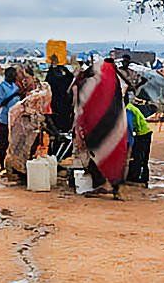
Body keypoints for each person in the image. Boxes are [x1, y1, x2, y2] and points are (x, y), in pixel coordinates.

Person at [72, 58, 129, 198]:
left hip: (102, 127)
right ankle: (112, 187)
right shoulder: (114, 81)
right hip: (116, 126)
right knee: (114, 155)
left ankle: (109, 186)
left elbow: (83, 99)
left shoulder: (99, 82)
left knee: (100, 153)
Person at [45, 55, 75, 159]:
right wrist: (61, 66)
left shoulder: (55, 81)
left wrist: (55, 66)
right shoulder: (64, 81)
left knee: (59, 135)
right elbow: (70, 77)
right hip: (60, 110)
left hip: (59, 110)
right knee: (60, 135)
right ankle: (61, 157)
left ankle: (57, 157)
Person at [0, 67, 23, 171]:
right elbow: (1, 103)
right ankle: (2, 165)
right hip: (5, 119)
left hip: (15, 120)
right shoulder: (1, 87)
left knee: (13, 144)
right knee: (3, 143)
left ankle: (11, 166)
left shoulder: (15, 86)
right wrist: (14, 95)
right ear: (6, 75)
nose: (14, 77)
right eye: (12, 75)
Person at [125, 99, 153, 185]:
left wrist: (130, 140)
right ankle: (143, 176)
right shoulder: (130, 107)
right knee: (143, 157)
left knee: (138, 156)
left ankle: (136, 177)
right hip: (145, 132)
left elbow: (129, 127)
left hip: (142, 134)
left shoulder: (127, 110)